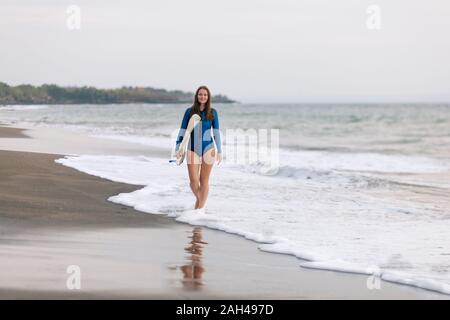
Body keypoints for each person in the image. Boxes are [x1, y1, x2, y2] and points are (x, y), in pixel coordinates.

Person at [175, 85, 222, 209]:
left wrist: (220, 151)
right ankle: (201, 204)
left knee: (204, 181)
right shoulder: (189, 111)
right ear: (197, 96)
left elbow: (216, 132)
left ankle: (198, 211)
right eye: (200, 94)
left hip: (209, 148)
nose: (203, 96)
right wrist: (178, 147)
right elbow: (182, 131)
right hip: (192, 148)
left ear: (208, 97)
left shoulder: (213, 112)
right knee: (193, 182)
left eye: (205, 95)